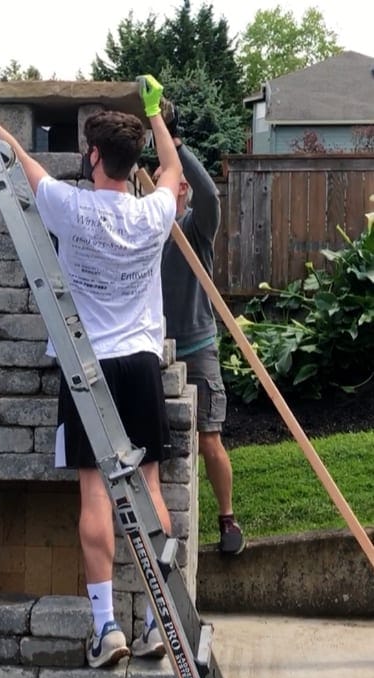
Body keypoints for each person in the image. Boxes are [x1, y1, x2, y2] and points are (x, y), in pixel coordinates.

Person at [0, 75, 182, 667]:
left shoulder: (71, 207)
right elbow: (174, 177)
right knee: (150, 484)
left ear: (96, 155)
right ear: (133, 164)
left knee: (96, 492)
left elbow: (19, 158)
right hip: (140, 363)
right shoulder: (153, 214)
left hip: (88, 368)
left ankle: (107, 628)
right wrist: (156, 117)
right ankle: (160, 623)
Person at [160, 126, 246, 556]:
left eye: (173, 182)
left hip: (197, 347)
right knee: (164, 445)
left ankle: (227, 518)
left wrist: (178, 148)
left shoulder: (196, 227)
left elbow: (212, 196)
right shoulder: (148, 230)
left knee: (209, 438)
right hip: (157, 354)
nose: (166, 188)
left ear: (183, 190)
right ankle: (170, 525)